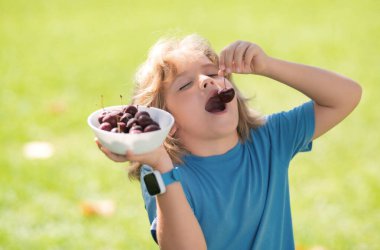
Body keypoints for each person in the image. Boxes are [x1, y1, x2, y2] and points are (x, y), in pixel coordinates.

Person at [95, 34, 362, 250]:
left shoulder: (269, 140)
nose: (205, 82)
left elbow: (347, 95)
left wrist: (268, 66)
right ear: (165, 120)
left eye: (213, 73)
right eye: (185, 85)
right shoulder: (164, 172)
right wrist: (161, 168)